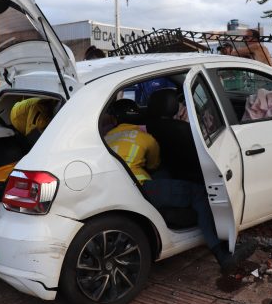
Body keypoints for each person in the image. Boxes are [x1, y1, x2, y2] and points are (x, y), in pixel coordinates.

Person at [104, 99, 254, 273]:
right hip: (143, 188)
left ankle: (172, 215)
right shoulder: (145, 137)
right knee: (200, 194)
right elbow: (154, 165)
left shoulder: (106, 137)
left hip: (117, 190)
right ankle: (223, 255)